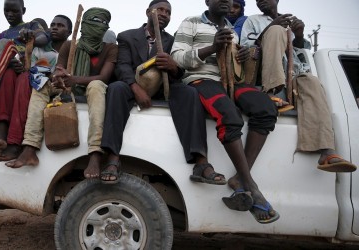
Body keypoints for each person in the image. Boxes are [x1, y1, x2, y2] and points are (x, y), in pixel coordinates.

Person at [171, 0, 280, 224]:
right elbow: (177, 58)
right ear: (208, 2)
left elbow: (236, 69)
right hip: (202, 79)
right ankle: (252, 186)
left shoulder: (231, 29)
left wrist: (241, 58)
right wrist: (211, 48)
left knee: (266, 108)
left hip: (230, 81)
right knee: (229, 116)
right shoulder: (190, 23)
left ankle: (240, 179)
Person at [240, 0, 357, 173]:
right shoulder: (253, 20)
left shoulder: (290, 20)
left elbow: (302, 53)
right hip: (263, 74)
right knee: (275, 30)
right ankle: (272, 92)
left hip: (292, 74)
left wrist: (299, 35)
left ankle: (326, 151)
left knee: (312, 83)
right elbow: (246, 47)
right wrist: (271, 27)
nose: (261, 0)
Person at [6, 8, 118, 179]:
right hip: (68, 85)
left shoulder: (110, 48)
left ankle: (95, 154)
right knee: (42, 85)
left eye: (102, 23)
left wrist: (74, 80)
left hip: (91, 87)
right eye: (93, 21)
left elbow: (104, 77)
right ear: (84, 25)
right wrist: (59, 77)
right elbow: (60, 69)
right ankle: (30, 148)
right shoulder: (69, 45)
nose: (98, 26)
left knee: (96, 86)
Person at [100, 0, 199, 184]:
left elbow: (180, 73)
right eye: (159, 10)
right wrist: (136, 88)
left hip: (162, 89)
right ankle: (113, 157)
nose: (164, 14)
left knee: (189, 92)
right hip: (132, 86)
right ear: (148, 12)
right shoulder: (127, 36)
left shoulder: (173, 40)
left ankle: (199, 160)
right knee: (116, 88)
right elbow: (122, 66)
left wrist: (173, 67)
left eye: (168, 12)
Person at [0, 15, 71, 161]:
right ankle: (2, 135)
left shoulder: (72, 50)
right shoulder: (40, 48)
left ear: (69, 32)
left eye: (60, 25)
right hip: (30, 85)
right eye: (52, 24)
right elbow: (29, 69)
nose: (55, 27)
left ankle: (14, 143)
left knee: (26, 77)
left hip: (55, 89)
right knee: (11, 74)